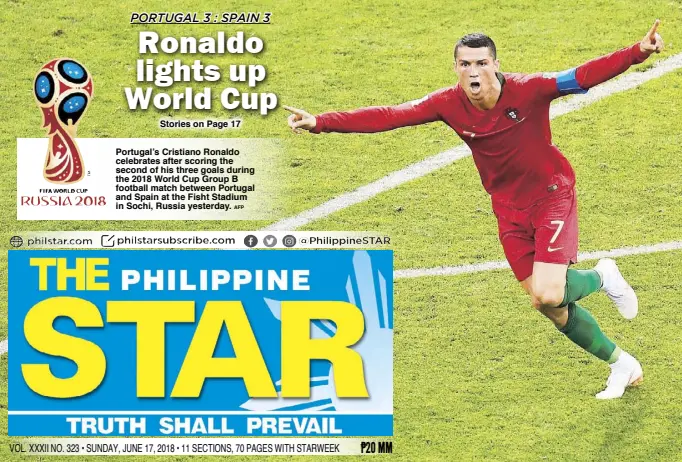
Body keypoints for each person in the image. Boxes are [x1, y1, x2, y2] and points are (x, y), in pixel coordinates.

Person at [284, 21, 664, 399]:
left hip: (552, 196)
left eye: (481, 63)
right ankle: (622, 364)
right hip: (508, 211)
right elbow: (390, 115)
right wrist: (322, 123)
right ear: (456, 69)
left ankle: (602, 275)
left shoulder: (530, 90)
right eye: (465, 64)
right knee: (546, 305)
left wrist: (637, 52)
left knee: (550, 292)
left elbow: (583, 75)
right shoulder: (447, 103)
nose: (473, 71)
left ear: (495, 64)